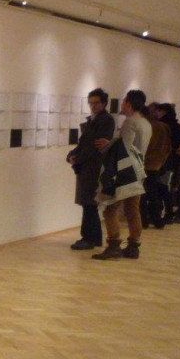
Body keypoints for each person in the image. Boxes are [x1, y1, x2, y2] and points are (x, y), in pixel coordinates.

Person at [92, 89, 151, 261]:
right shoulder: (145, 123)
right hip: (138, 171)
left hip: (125, 172)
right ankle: (133, 246)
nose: (122, 104)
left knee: (110, 208)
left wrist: (109, 144)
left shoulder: (130, 122)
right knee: (133, 210)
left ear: (129, 104)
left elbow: (124, 149)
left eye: (124, 101)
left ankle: (114, 245)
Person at [66, 89, 116, 250]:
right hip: (87, 166)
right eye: (91, 103)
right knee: (88, 203)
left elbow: (94, 147)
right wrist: (71, 155)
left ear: (104, 103)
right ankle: (93, 237)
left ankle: (89, 238)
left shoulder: (106, 120)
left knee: (89, 202)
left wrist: (77, 158)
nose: (93, 106)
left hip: (94, 167)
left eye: (96, 103)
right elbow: (83, 144)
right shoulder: (94, 119)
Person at [139, 103, 171, 230]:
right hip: (157, 164)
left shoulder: (148, 126)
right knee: (153, 193)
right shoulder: (164, 126)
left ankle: (144, 220)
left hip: (146, 163)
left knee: (143, 193)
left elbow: (144, 145)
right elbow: (168, 147)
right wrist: (162, 161)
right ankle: (156, 220)